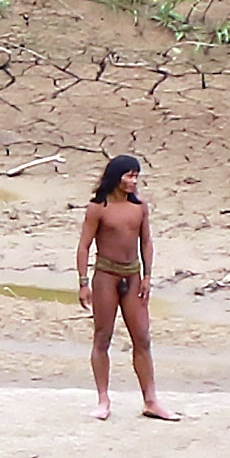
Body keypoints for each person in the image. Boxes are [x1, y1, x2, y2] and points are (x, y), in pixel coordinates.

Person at [76, 155, 178, 421]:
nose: (133, 181)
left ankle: (151, 400)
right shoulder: (98, 207)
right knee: (102, 337)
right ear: (116, 176)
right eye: (129, 176)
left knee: (142, 337)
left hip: (132, 276)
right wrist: (83, 281)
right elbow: (84, 245)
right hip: (105, 276)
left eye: (136, 176)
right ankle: (103, 400)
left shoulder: (140, 207)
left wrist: (147, 276)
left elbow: (146, 242)